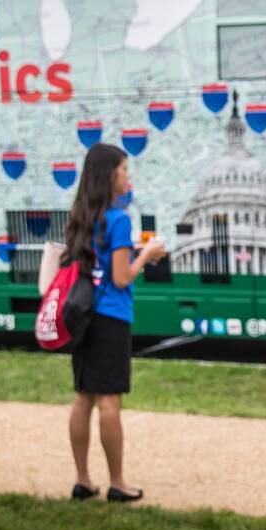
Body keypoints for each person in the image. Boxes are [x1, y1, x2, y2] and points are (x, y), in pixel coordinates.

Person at [62, 142, 166, 503]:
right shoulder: (119, 220)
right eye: (124, 169)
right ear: (110, 175)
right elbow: (122, 278)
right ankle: (118, 483)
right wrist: (148, 255)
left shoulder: (80, 214)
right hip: (111, 317)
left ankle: (82, 480)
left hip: (82, 315)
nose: (128, 176)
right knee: (109, 403)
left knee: (83, 399)